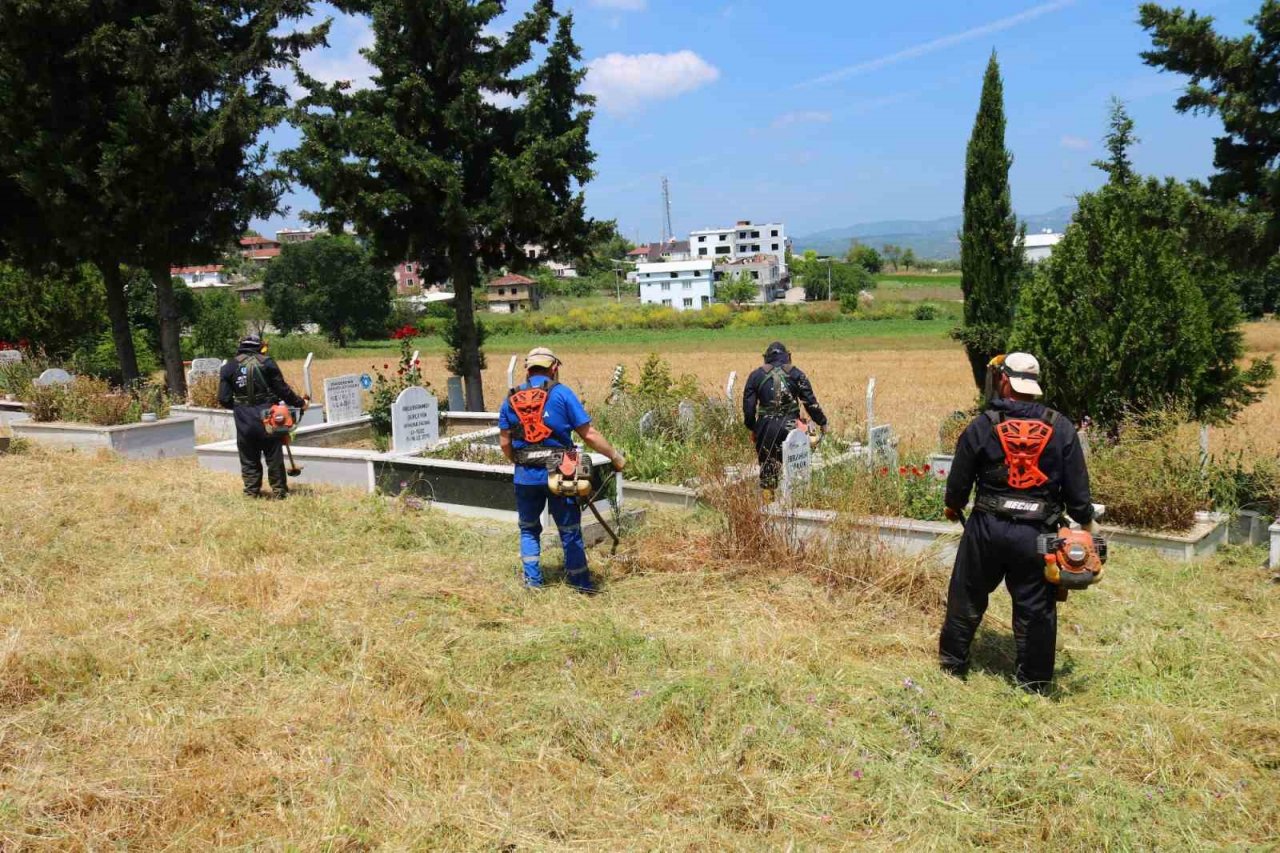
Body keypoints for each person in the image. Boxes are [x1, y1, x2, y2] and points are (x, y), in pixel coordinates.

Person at [938, 352, 1096, 693]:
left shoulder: (983, 424)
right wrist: (1082, 525)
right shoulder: (1061, 427)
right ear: (1033, 384)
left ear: (1005, 381)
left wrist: (953, 506)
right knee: (1036, 609)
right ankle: (1034, 683)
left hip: (987, 528)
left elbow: (959, 480)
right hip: (1037, 534)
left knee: (966, 595)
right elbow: (1079, 493)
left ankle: (953, 665)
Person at [498, 347, 625, 592]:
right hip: (561, 474)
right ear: (554, 368)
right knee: (569, 530)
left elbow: (505, 443)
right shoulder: (562, 394)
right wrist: (615, 457)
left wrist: (521, 460)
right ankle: (581, 585)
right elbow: (588, 434)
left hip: (525, 474)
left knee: (528, 529)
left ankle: (533, 583)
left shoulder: (510, 398)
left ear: (527, 370)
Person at [217, 334, 308, 499]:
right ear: (259, 347)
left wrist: (240, 407)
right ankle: (280, 492)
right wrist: (300, 403)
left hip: (243, 419)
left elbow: (223, 399)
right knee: (273, 455)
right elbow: (282, 389)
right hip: (268, 416)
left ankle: (251, 492)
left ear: (241, 346)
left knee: (249, 457)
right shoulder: (267, 363)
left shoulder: (228, 367)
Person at [742, 341, 828, 496]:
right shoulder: (796, 373)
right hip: (791, 426)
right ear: (787, 356)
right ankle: (796, 501)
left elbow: (748, 410)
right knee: (796, 467)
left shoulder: (755, 376)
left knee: (768, 471)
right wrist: (822, 422)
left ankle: (769, 507)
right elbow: (810, 402)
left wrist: (754, 428)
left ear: (766, 358)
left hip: (766, 427)